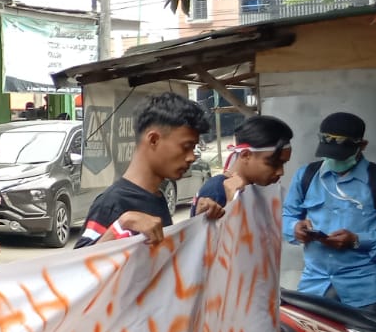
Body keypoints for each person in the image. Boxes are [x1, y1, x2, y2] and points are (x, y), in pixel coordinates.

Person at [284, 112, 376, 313]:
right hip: (314, 287)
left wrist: (357, 240)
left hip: (364, 293)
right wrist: (295, 228)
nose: (333, 160)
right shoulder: (306, 176)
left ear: (361, 146)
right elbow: (287, 215)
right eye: (328, 154)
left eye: (340, 155)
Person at [75, 92, 209, 249]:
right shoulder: (111, 204)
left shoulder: (157, 197)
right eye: (186, 147)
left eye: (193, 149)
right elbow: (79, 269)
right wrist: (122, 225)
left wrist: (199, 220)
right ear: (153, 140)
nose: (191, 157)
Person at [191, 115, 294, 217]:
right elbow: (206, 233)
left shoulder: (255, 190)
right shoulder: (216, 191)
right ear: (245, 155)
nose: (281, 172)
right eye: (274, 164)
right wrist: (231, 203)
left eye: (283, 164)